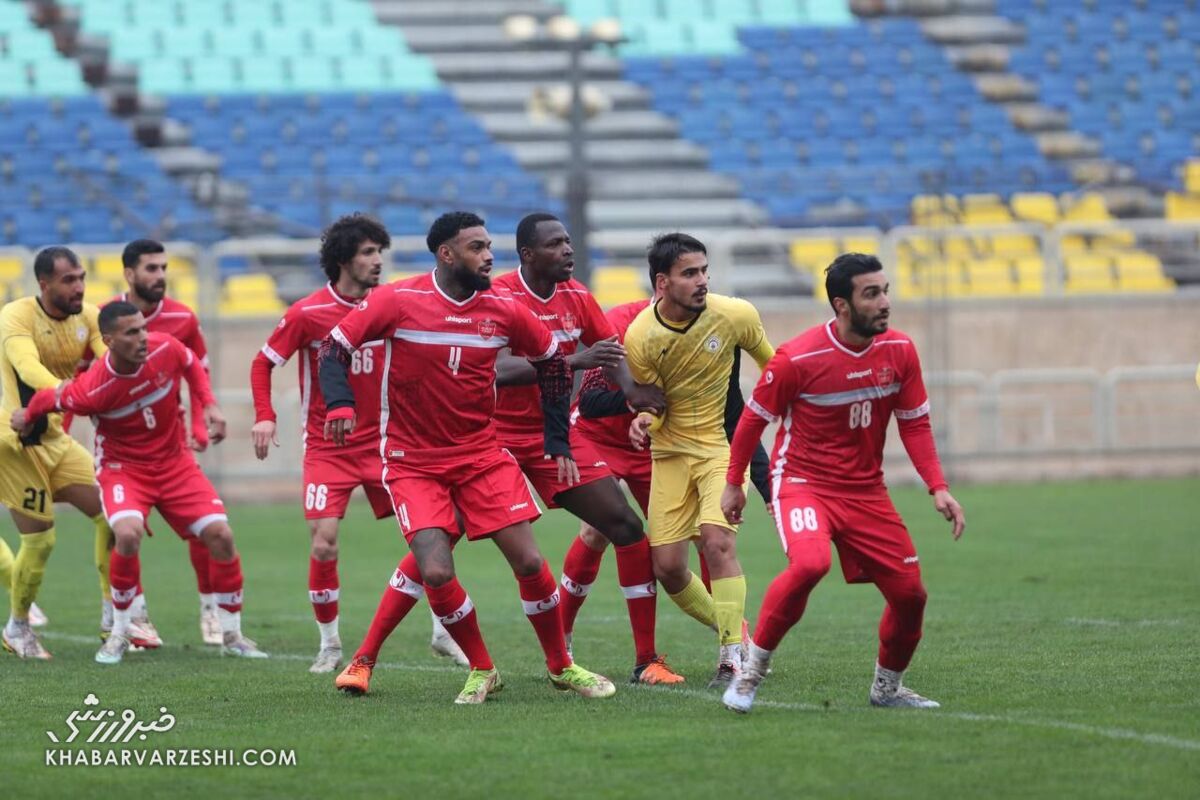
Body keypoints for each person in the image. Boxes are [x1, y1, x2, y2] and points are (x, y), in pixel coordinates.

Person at [321, 211, 615, 704]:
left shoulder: (502, 309)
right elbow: (335, 349)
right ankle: (482, 668)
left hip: (482, 455)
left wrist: (558, 441)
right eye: (477, 247)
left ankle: (561, 666)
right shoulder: (398, 298)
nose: (488, 256)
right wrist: (341, 403)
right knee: (435, 571)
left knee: (528, 560)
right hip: (413, 461)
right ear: (446, 254)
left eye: (489, 246)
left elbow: (554, 368)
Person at [719, 253, 965, 713]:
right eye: (871, 293)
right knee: (811, 564)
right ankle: (750, 675)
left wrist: (938, 487)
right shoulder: (798, 357)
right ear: (842, 305)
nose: (885, 302)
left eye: (885, 290)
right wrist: (735, 483)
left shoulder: (900, 351)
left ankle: (887, 690)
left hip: (866, 491)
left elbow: (914, 424)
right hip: (802, 483)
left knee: (911, 596)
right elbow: (752, 420)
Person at [249, 214, 466, 674]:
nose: (377, 263)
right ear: (343, 259)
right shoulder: (308, 313)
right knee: (324, 543)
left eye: (379, 253)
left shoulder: (392, 306)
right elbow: (263, 362)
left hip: (389, 444)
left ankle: (442, 631)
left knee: (435, 534)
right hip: (328, 448)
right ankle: (329, 645)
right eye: (368, 253)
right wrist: (265, 417)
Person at [484, 212, 681, 685]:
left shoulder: (577, 296)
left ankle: (646, 660)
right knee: (440, 537)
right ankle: (362, 654)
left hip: (554, 436)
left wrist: (632, 392)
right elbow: (499, 369)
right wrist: (572, 361)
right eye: (556, 244)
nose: (568, 250)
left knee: (626, 527)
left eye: (569, 241)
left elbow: (608, 350)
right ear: (528, 255)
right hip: (493, 436)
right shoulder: (501, 297)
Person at [11, 302, 267, 664]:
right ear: (110, 340)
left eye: (143, 328)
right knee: (127, 533)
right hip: (124, 469)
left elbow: (192, 365)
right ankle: (118, 633)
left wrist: (209, 406)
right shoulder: (94, 388)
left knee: (221, 536)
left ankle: (232, 635)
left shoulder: (165, 347)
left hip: (175, 463)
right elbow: (50, 397)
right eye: (132, 333)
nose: (143, 337)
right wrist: (27, 414)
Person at [565, 292, 777, 651]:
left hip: (655, 445)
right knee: (598, 530)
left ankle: (733, 641)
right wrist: (644, 397)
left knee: (706, 537)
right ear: (663, 287)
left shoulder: (715, 332)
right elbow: (590, 401)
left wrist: (769, 488)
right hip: (598, 436)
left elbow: (733, 415)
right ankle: (562, 638)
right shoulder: (623, 326)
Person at [624, 233, 774, 688]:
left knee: (717, 543)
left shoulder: (735, 315)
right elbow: (651, 400)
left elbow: (776, 369)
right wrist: (643, 420)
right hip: (669, 456)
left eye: (704, 271)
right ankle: (739, 635)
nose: (702, 281)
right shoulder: (641, 336)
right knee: (668, 568)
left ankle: (731, 658)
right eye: (690, 273)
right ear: (662, 282)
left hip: (719, 450)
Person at [0, 247, 120, 659]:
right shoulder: (15, 317)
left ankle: (113, 617)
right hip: (13, 438)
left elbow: (110, 361)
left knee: (114, 515)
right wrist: (75, 392)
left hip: (53, 437)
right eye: (69, 280)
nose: (79, 287)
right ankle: (17, 628)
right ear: (44, 284)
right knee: (41, 539)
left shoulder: (87, 317)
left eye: (82, 277)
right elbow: (28, 368)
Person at [95, 239, 214, 646]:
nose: (160, 276)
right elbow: (85, 378)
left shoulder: (183, 318)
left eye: (163, 268)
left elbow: (199, 369)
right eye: (150, 268)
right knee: (121, 530)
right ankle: (134, 618)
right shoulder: (104, 320)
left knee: (205, 528)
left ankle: (211, 611)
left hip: (170, 446)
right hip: (122, 452)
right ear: (129, 274)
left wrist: (201, 420)